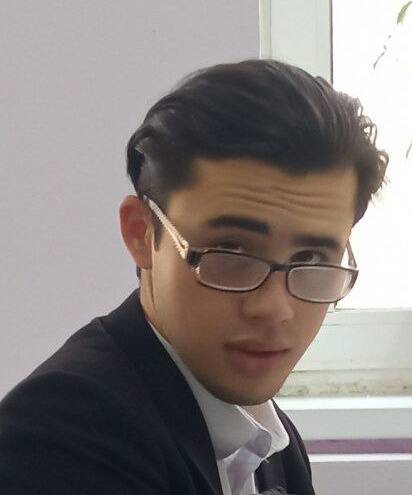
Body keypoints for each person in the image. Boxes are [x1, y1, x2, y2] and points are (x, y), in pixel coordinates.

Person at [0, 59, 388, 495]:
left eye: (312, 258)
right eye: (231, 251)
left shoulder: (268, 441)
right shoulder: (61, 440)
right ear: (141, 233)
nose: (274, 308)